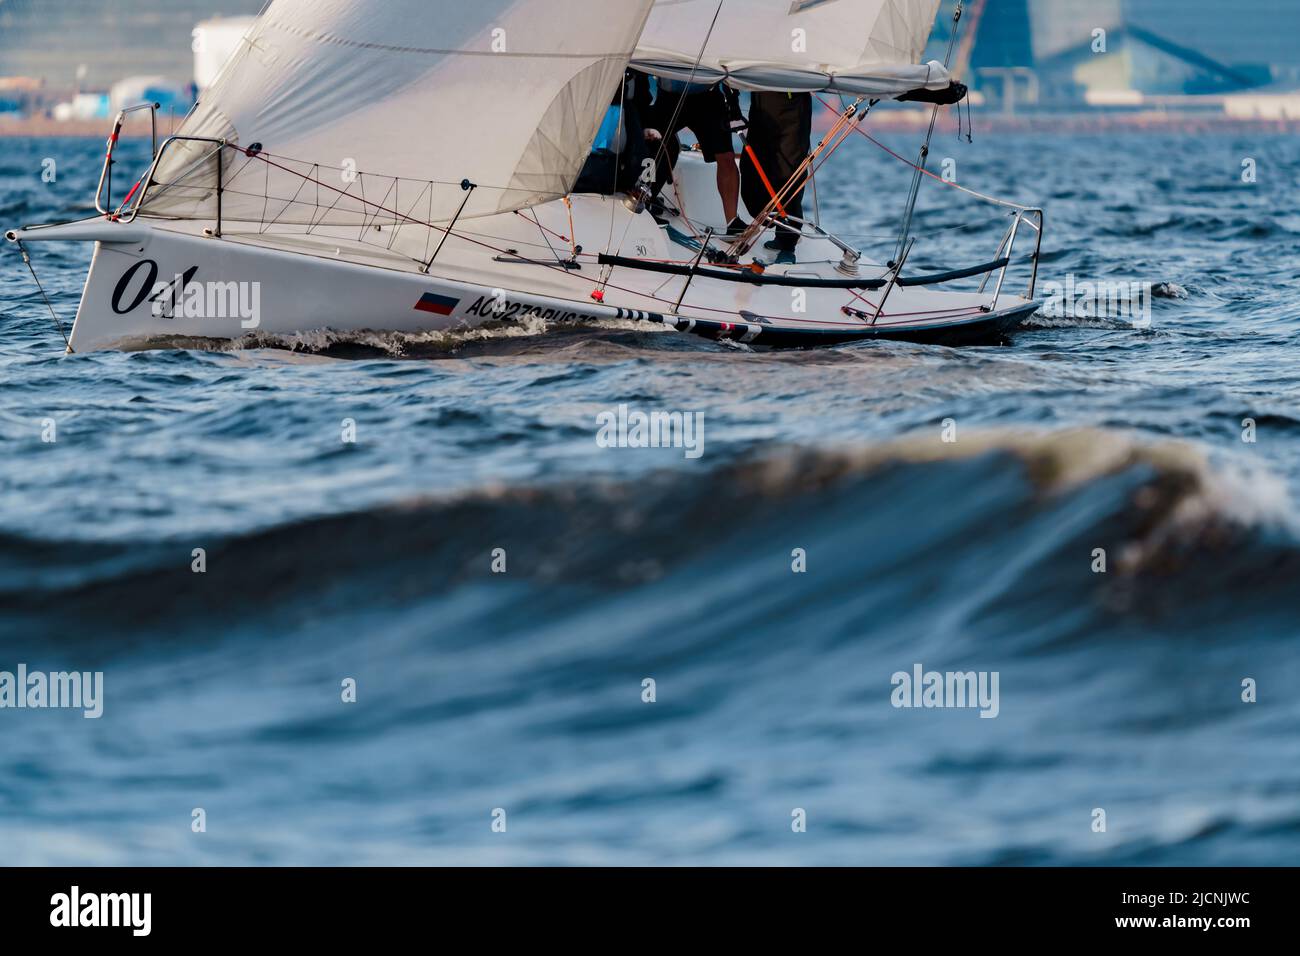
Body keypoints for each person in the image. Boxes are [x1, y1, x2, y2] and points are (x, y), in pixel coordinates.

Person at [650, 77, 747, 235]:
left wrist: (733, 100)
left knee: (726, 157)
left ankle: (733, 223)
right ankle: (646, 202)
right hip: (670, 96)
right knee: (654, 142)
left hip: (707, 98)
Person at [739, 91, 812, 264]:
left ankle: (787, 243)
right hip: (762, 99)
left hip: (793, 104)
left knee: (789, 174)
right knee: (750, 167)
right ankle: (773, 220)